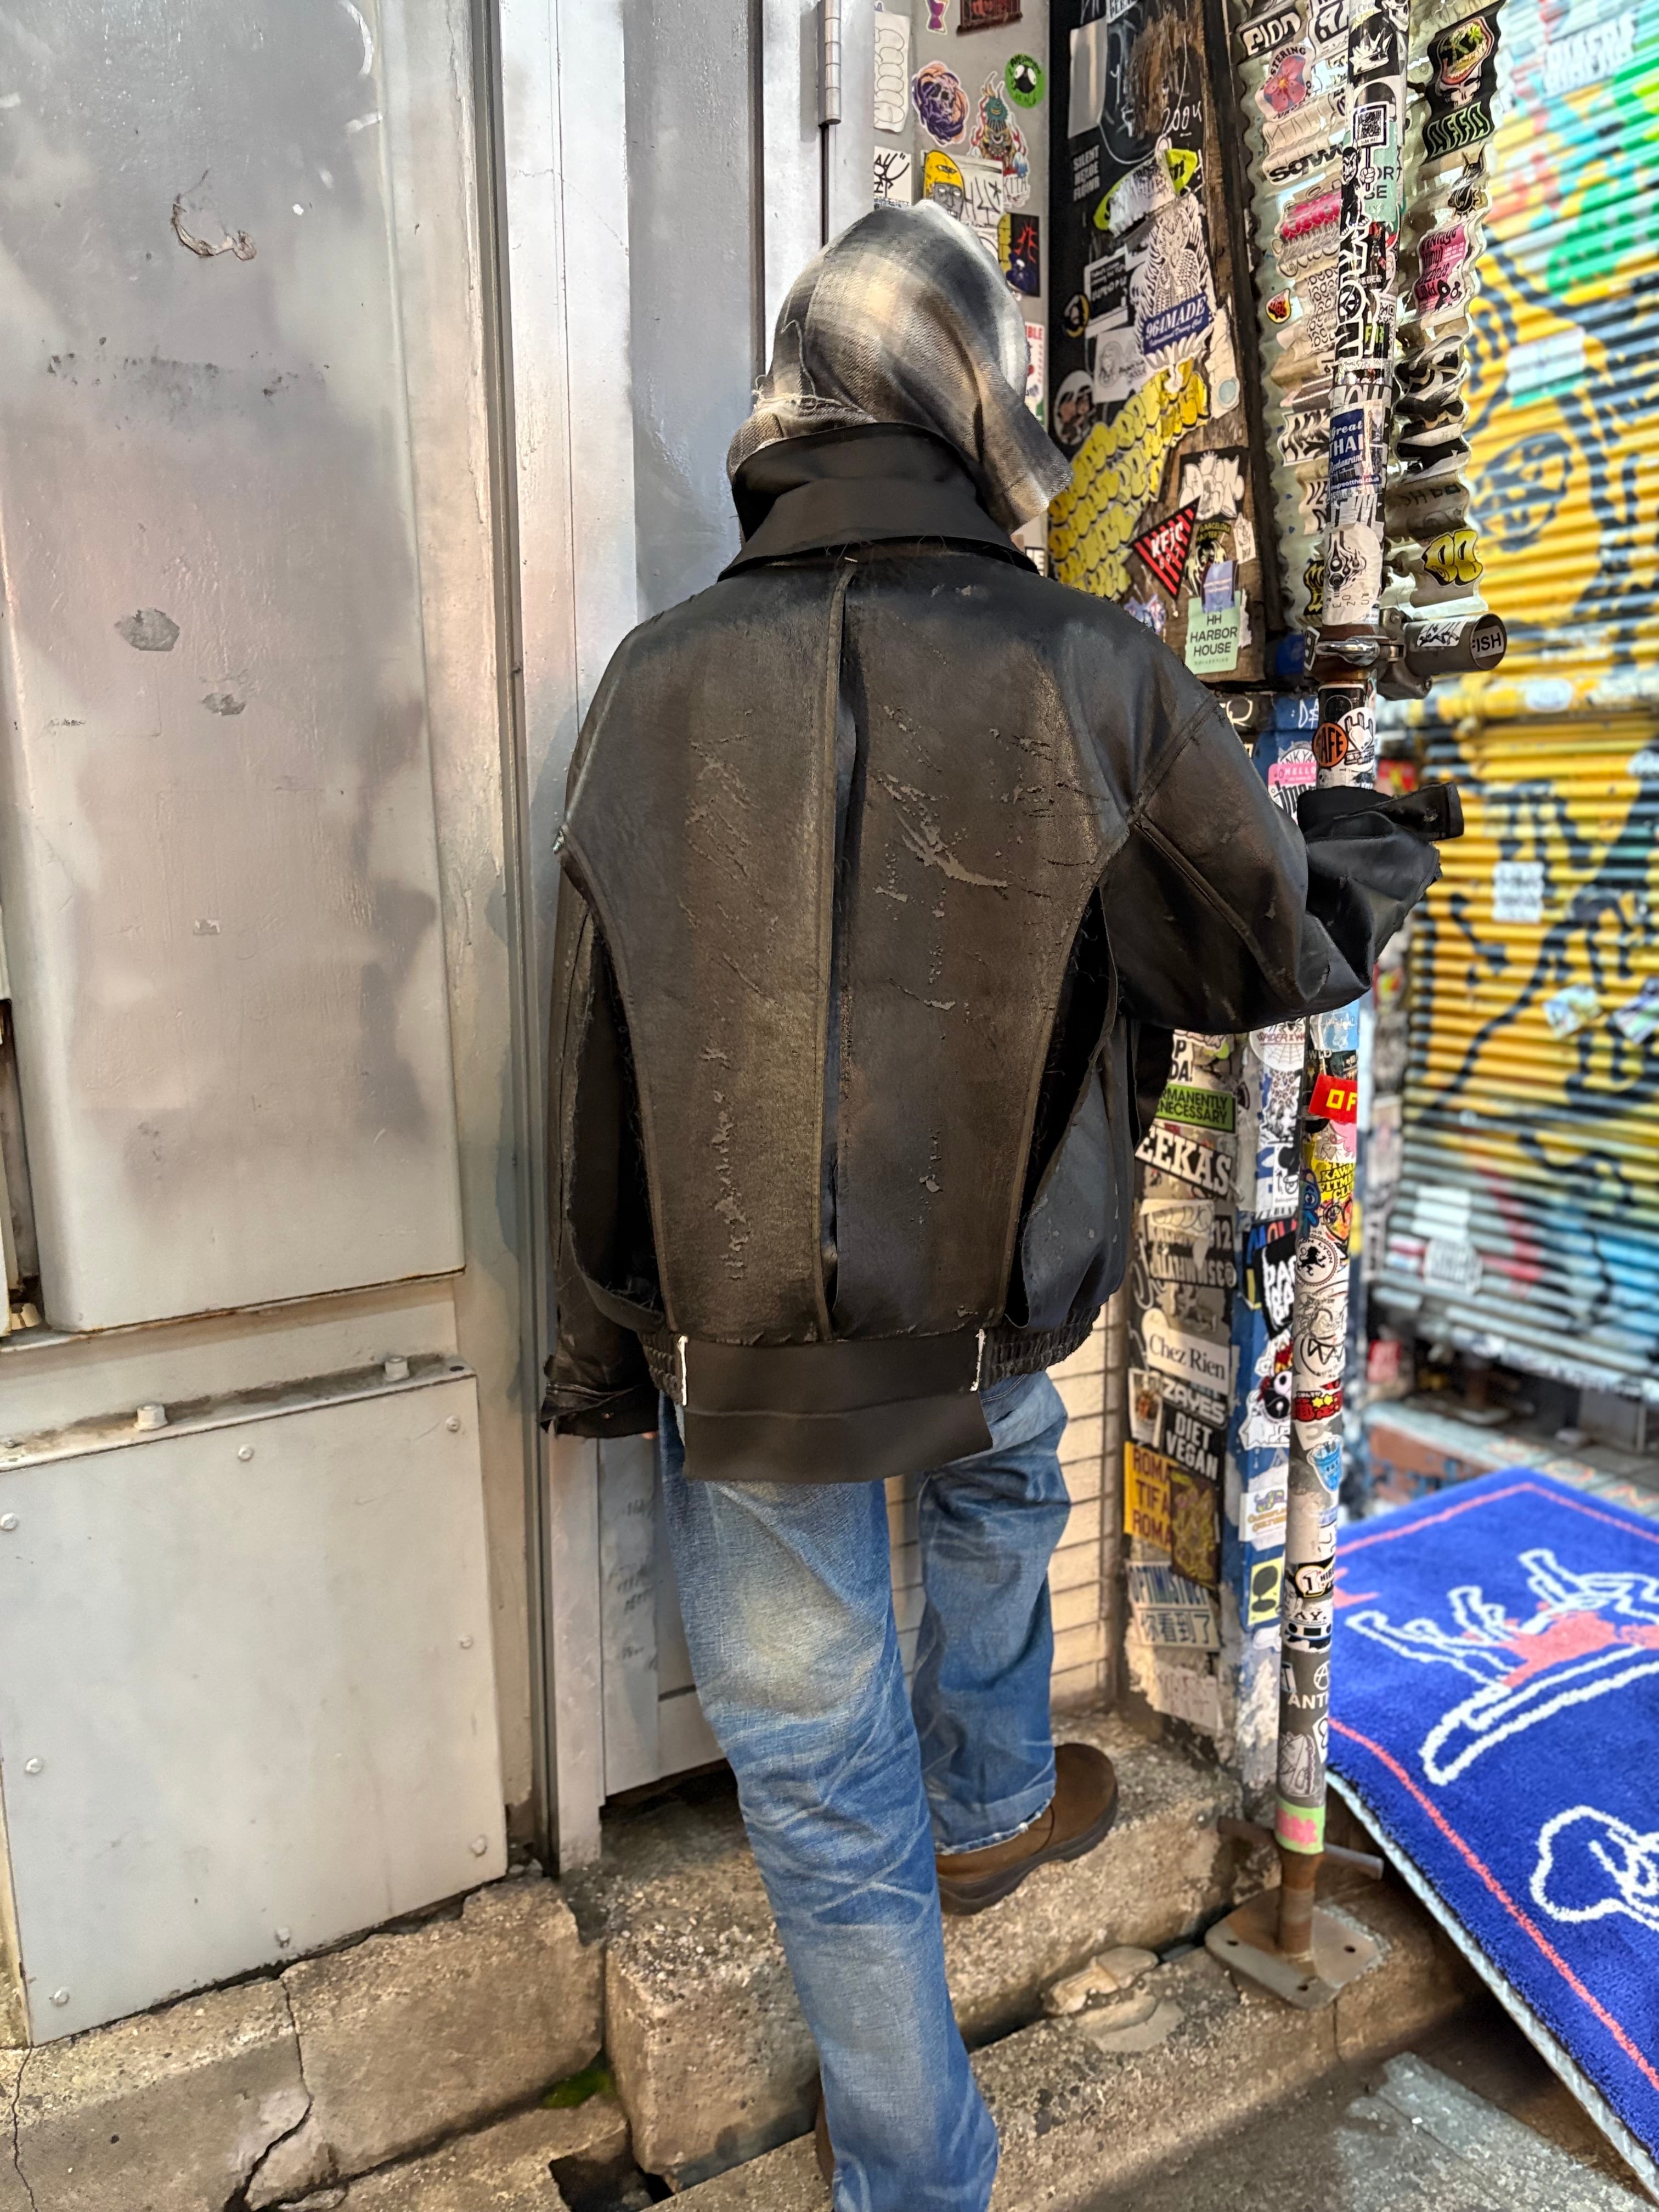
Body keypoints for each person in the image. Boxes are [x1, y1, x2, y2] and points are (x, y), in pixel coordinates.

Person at [543, 202, 1440, 2212]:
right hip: (990, 1283)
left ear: (793, 408)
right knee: (1002, 1456)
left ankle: (923, 2149)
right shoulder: (1085, 663)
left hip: (735, 1340)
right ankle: (992, 1791)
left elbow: (588, 1039)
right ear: (977, 409)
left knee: (814, 1777)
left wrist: (601, 1351)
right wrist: (1370, 843)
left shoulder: (649, 679)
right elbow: (1259, 947)